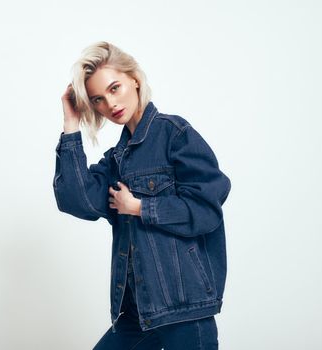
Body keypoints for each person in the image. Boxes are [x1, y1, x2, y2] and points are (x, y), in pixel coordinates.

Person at [53, 41, 231, 350]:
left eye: (115, 88)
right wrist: (70, 126)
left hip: (184, 308)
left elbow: (206, 209)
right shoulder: (116, 160)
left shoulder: (174, 134)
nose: (110, 104)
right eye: (98, 99)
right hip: (138, 311)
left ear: (134, 78)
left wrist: (140, 208)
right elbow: (75, 199)